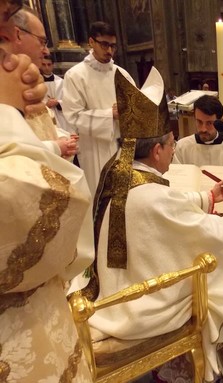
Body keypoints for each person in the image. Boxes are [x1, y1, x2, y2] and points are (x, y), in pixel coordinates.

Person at [85, 68, 223, 381]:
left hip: (115, 287)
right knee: (221, 283)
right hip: (139, 308)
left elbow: (167, 211)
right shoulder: (152, 195)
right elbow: (204, 232)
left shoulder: (118, 170)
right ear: (157, 150)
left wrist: (209, 197)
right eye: (170, 144)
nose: (174, 149)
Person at [0, 2, 94, 380]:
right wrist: (7, 110)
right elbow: (35, 201)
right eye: (4, 19)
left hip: (40, 310)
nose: (46, 50)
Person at [62, 21, 135, 193]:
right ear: (91, 42)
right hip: (94, 148)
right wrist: (109, 114)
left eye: (113, 46)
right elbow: (73, 116)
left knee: (125, 193)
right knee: (101, 193)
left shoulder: (122, 74)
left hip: (123, 144)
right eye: (104, 44)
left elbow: (135, 104)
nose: (109, 51)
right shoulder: (75, 75)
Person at [10, 7, 77, 159]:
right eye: (42, 42)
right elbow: (8, 150)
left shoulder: (27, 78)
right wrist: (55, 147)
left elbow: (43, 126)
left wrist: (62, 137)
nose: (46, 51)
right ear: (17, 34)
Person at [40, 55, 73, 133]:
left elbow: (69, 100)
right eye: (44, 65)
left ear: (53, 65)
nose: (47, 67)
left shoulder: (61, 82)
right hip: (45, 115)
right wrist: (45, 104)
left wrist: (58, 102)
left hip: (61, 117)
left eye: (49, 64)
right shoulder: (36, 83)